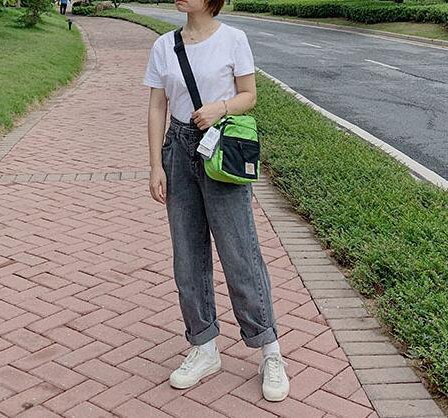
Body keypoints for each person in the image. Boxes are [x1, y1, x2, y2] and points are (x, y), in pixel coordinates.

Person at [143, 0, 290, 403]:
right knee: (187, 255)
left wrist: (220, 108)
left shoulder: (233, 39)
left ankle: (269, 349)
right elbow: (157, 106)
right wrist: (155, 165)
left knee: (240, 252)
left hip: (222, 149)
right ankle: (204, 346)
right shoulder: (164, 45)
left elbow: (249, 95)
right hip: (178, 150)